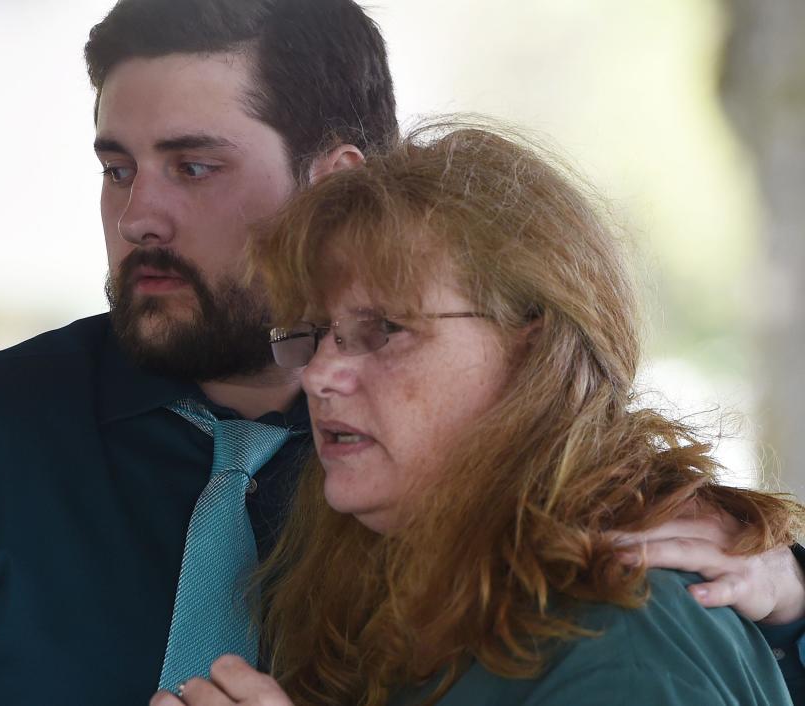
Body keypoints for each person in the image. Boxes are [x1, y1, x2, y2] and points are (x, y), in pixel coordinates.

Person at [0, 1, 801, 704]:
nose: (138, 216)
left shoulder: (457, 491)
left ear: (330, 182)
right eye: (116, 168)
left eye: (195, 165)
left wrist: (788, 593)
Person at [153, 124, 802, 705]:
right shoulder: (387, 582)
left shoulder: (619, 624)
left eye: (384, 328)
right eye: (314, 334)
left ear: (533, 349)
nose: (319, 375)